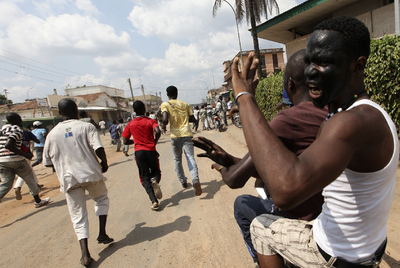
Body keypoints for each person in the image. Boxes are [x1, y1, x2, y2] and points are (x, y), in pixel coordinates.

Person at [231, 16, 397, 268]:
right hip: (368, 250)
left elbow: (285, 192)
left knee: (260, 226)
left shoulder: (349, 122)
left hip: (334, 256)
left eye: (323, 62)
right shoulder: (369, 112)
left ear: (357, 66)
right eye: (309, 61)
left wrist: (245, 98)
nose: (310, 72)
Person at [193, 49, 327, 264]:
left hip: (304, 223)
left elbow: (234, 180)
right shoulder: (335, 115)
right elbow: (274, 165)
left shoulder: (288, 120)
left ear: (290, 85)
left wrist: (223, 168)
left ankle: (262, 260)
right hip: (328, 217)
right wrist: (231, 159)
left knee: (242, 204)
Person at [43, 98, 113, 267]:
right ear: (76, 109)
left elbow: (46, 162)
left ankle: (85, 254)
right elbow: (98, 148)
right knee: (101, 199)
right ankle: (102, 233)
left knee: (78, 216)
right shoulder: (86, 126)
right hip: (91, 174)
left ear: (59, 113)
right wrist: (104, 163)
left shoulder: (52, 134)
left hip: (69, 179)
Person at [0, 113, 50, 207]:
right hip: (16, 159)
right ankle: (38, 201)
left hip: (2, 160)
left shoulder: (2, 129)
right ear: (17, 120)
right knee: (29, 177)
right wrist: (25, 155)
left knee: (6, 184)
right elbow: (9, 145)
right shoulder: (18, 130)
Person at [161, 86, 202, 196]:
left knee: (177, 159)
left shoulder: (165, 105)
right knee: (190, 157)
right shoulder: (185, 104)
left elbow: (165, 119)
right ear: (177, 93)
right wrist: (184, 118)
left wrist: (163, 125)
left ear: (167, 94)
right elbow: (193, 119)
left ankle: (183, 181)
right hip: (187, 134)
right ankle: (195, 180)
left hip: (175, 136)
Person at [122, 100, 162, 210]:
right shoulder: (150, 121)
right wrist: (154, 142)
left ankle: (154, 201)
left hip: (139, 152)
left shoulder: (130, 124)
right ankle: (155, 180)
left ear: (134, 111)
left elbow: (125, 141)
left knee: (144, 177)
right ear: (144, 109)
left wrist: (135, 142)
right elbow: (158, 131)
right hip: (151, 150)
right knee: (156, 171)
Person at [14, 128, 42, 200]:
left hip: (12, 156)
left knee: (30, 170)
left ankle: (36, 184)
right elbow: (37, 141)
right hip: (25, 155)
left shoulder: (8, 133)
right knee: (25, 172)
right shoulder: (26, 132)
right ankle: (18, 186)